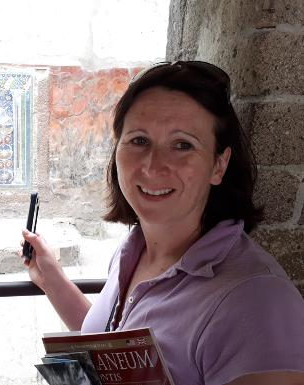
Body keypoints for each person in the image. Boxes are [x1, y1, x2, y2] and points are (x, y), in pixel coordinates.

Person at [21, 61, 304, 385]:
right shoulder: (134, 250)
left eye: (183, 145)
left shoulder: (258, 301)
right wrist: (52, 280)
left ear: (218, 165)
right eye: (139, 140)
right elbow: (116, 347)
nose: (153, 165)